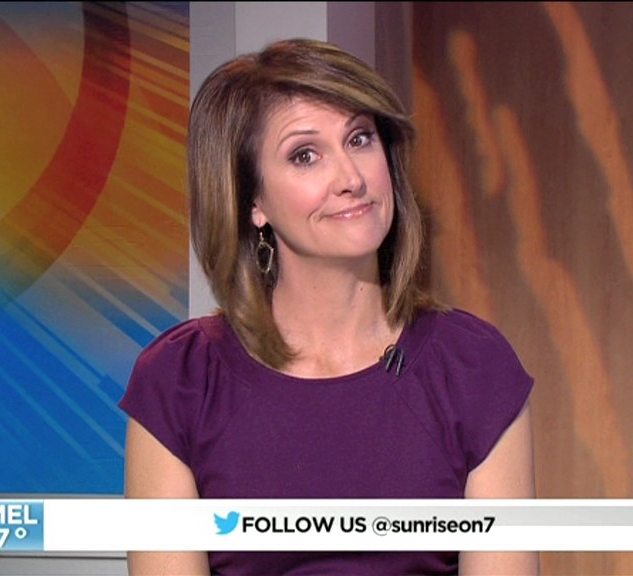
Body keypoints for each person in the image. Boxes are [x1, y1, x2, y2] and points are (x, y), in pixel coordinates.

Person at [119, 38, 538, 575]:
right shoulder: (179, 381)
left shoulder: (474, 368)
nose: (352, 179)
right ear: (253, 202)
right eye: (305, 155)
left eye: (360, 138)